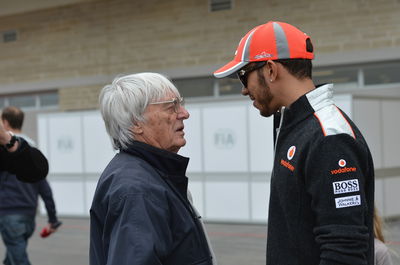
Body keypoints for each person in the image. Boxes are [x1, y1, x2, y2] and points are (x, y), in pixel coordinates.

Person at [214, 21, 374, 265]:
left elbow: (345, 251)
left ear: (270, 70)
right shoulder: (296, 125)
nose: (244, 90)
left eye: (243, 76)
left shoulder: (329, 137)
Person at [90, 73, 216, 265]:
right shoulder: (137, 188)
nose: (184, 113)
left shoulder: (148, 174)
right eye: (172, 106)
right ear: (135, 123)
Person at [0, 106, 61, 265]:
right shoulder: (32, 150)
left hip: (10, 213)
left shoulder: (8, 150)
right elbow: (44, 188)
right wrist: (52, 218)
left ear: (5, 122)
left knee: (18, 258)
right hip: (29, 215)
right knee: (12, 257)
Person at [0, 110, 48, 183]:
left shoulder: (11, 145)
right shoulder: (29, 143)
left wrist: (7, 140)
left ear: (5, 123)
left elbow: (39, 170)